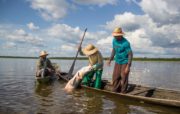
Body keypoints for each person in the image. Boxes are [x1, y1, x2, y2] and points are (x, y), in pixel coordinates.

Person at [107, 27, 133, 93]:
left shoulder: (126, 43)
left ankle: (123, 92)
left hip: (125, 61)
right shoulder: (114, 41)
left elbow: (130, 54)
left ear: (120, 35)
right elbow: (114, 50)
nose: (115, 37)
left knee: (124, 77)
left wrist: (128, 66)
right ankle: (115, 90)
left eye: (116, 36)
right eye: (114, 36)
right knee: (115, 76)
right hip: (117, 61)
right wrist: (110, 59)